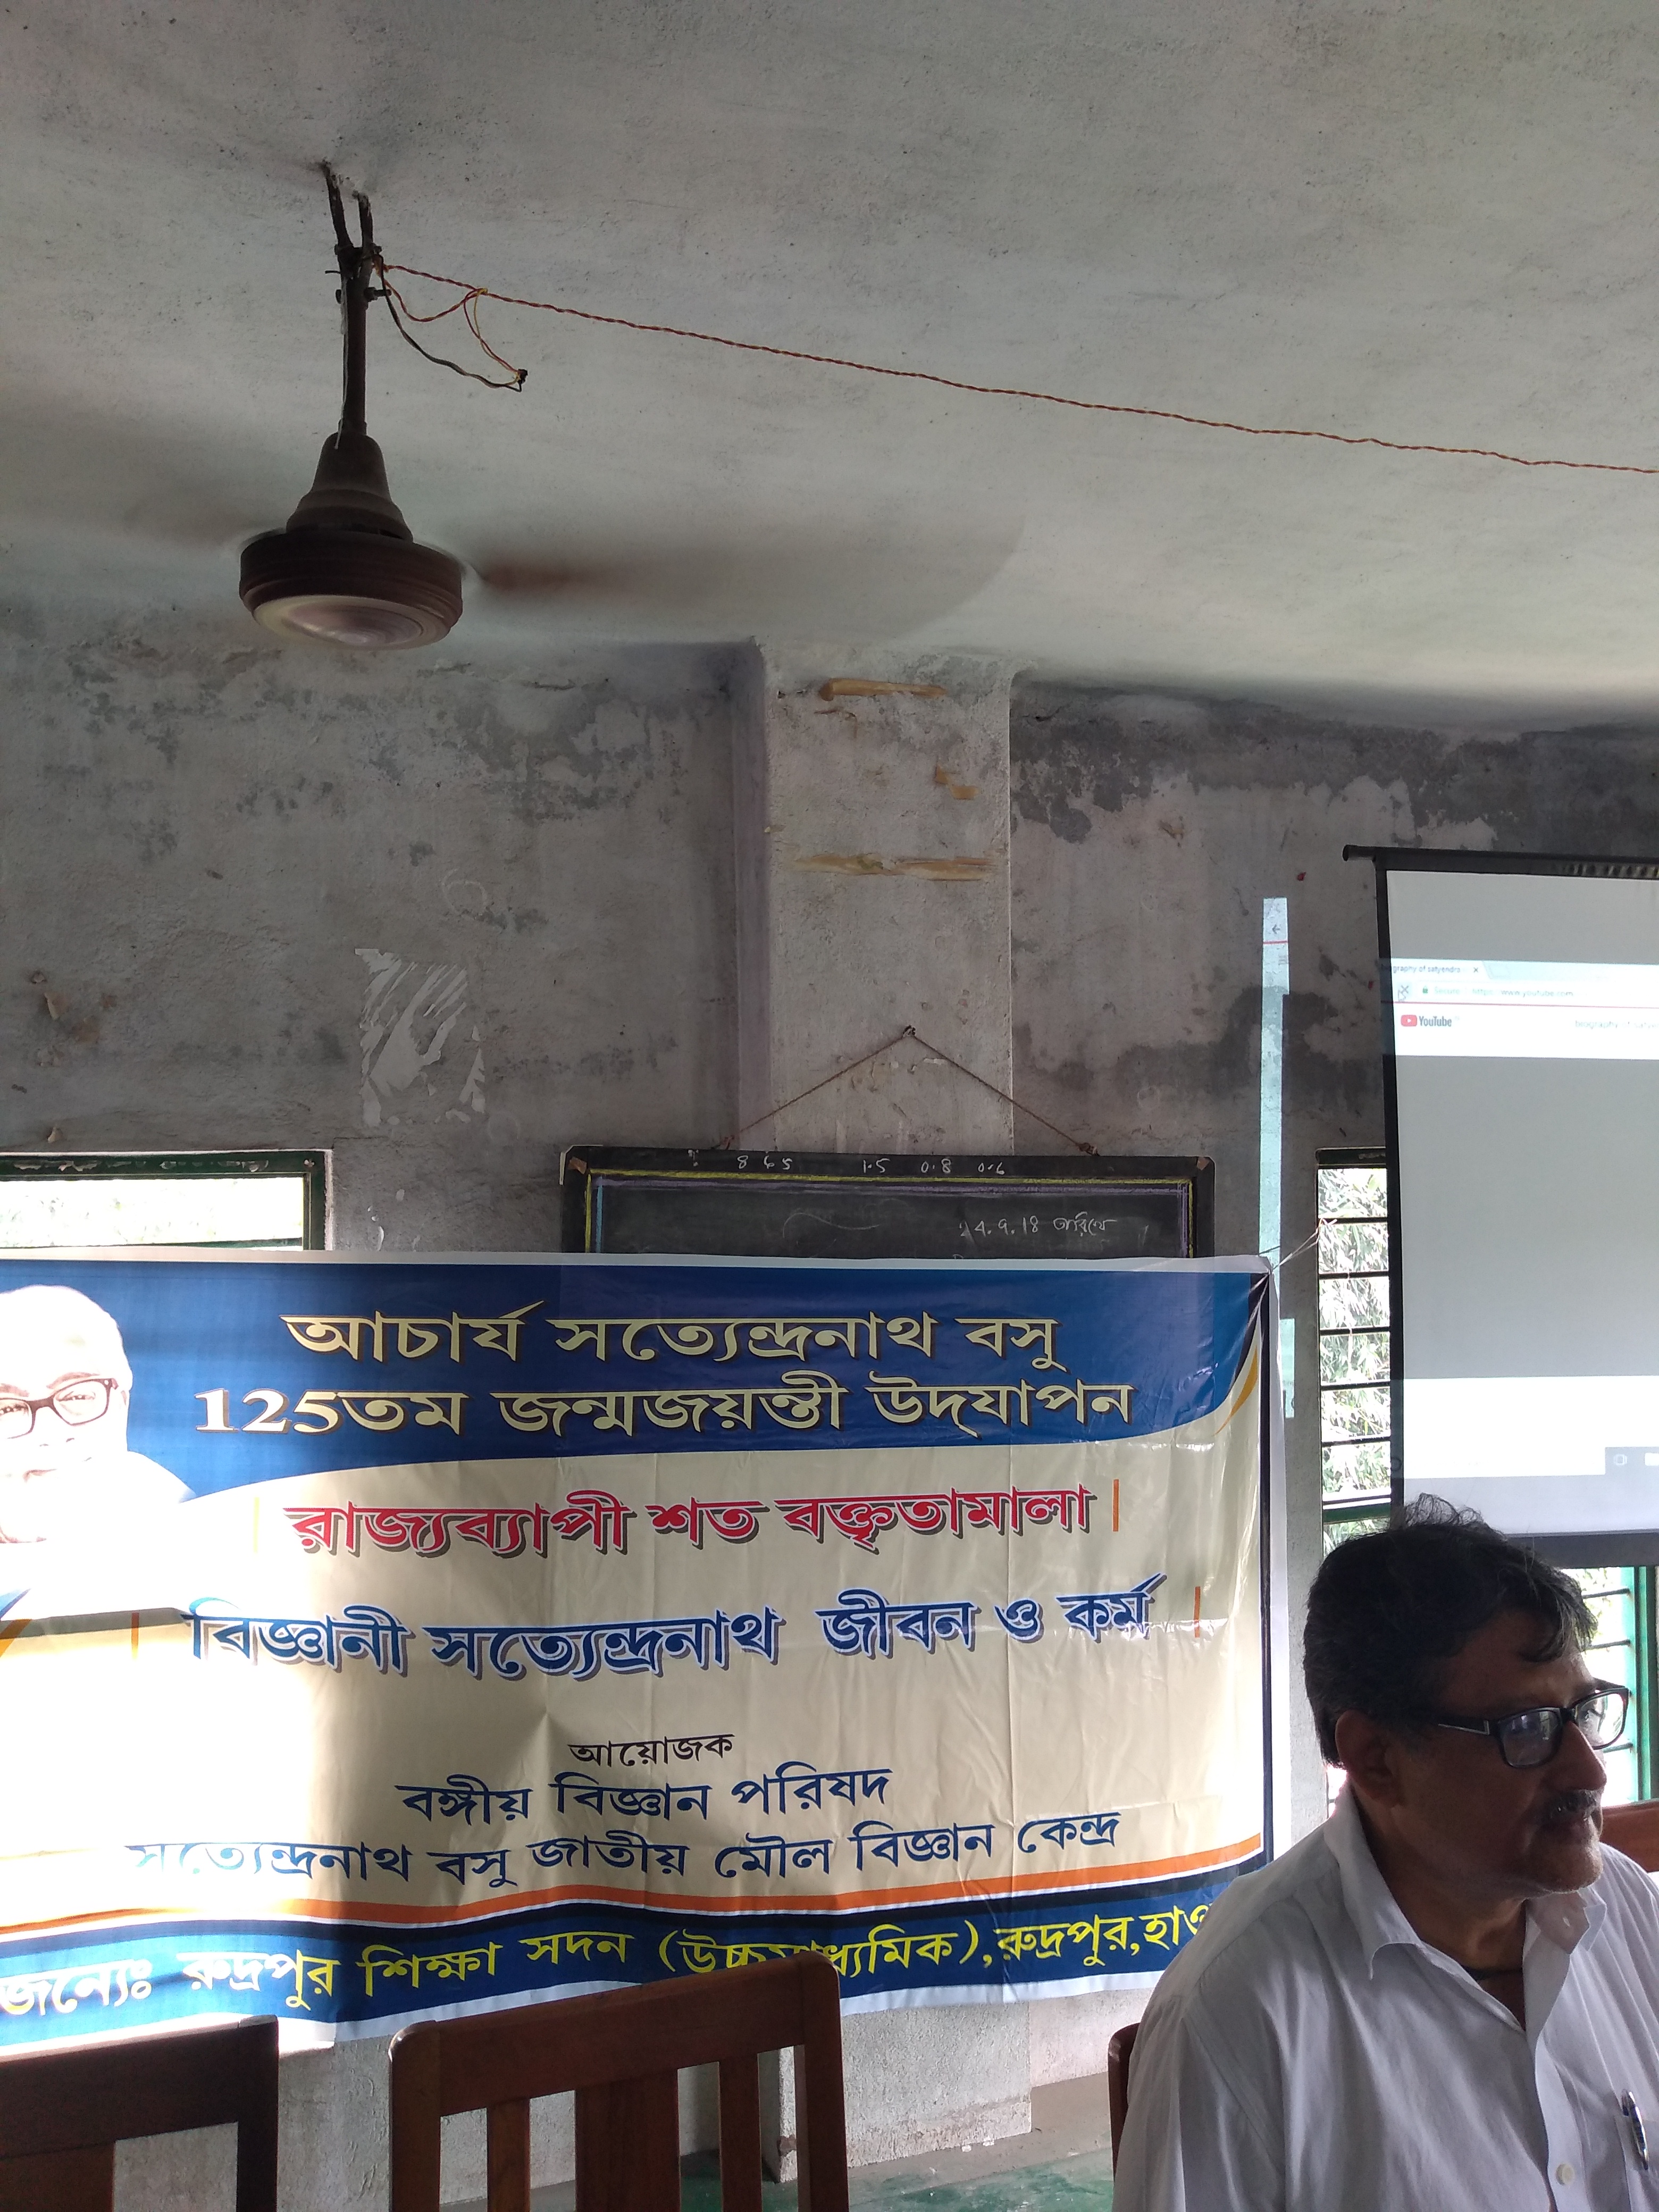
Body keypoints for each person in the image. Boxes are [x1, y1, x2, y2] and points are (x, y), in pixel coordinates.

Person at [1113, 1497, 1659, 2211]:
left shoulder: (1626, 1910)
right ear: (1376, 1760)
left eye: (1584, 1712)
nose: (1590, 1770)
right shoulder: (1241, 2011)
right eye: (1528, 1728)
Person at [0, 1284, 188, 1545]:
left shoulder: (183, 1516)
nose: (51, 1434)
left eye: (78, 1397)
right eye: (8, 1409)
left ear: (122, 1405)